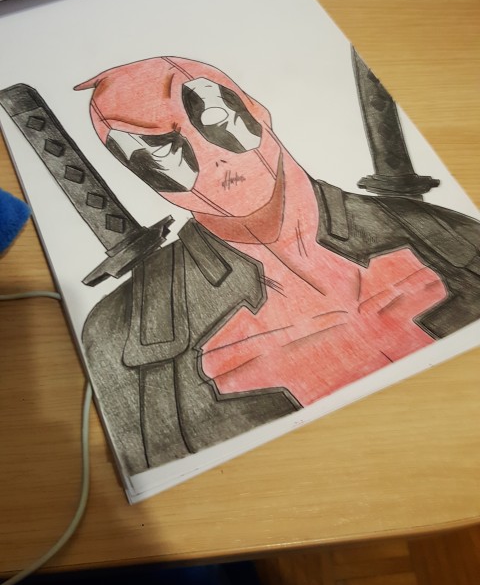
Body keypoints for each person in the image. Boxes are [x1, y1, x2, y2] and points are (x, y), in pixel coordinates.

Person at [75, 56, 480, 475]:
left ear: (257, 111)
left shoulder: (444, 234)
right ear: (137, 172)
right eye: (163, 150)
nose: (213, 158)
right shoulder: (120, 335)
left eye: (216, 120)